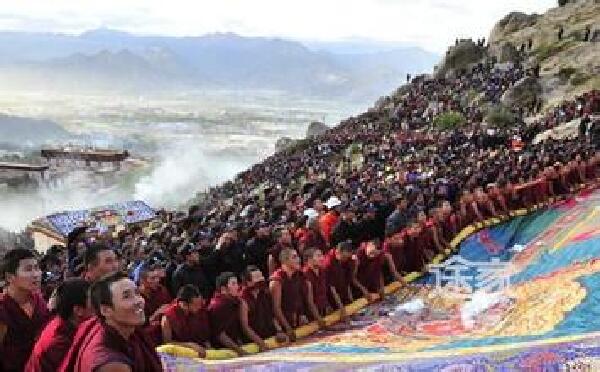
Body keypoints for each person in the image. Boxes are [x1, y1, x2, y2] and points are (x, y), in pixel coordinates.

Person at [59, 272, 162, 372]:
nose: (139, 301)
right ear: (105, 310)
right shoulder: (112, 364)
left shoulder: (121, 331)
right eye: (126, 296)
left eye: (137, 293)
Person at [26, 279, 92, 372]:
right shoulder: (61, 341)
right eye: (93, 302)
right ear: (78, 310)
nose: (99, 306)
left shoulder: (61, 322)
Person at [0, 248, 50, 372]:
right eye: (28, 269)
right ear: (10, 277)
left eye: (37, 268)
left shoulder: (39, 300)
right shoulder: (3, 309)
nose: (36, 274)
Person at [240, 266, 287, 345]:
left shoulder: (264, 293)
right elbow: (245, 326)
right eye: (257, 278)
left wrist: (279, 330)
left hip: (269, 336)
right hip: (252, 341)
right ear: (248, 283)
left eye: (261, 276)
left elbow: (272, 316)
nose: (261, 279)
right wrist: (260, 342)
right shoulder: (243, 299)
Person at [161, 284, 211, 357]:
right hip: (181, 353)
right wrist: (189, 345)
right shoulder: (168, 317)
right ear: (184, 304)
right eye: (196, 305)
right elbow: (167, 343)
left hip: (202, 350)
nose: (199, 307)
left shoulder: (200, 310)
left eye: (200, 304)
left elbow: (205, 336)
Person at [270, 248, 306, 342]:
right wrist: (288, 328)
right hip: (281, 326)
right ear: (285, 261)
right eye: (294, 257)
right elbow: (276, 308)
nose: (298, 259)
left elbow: (298, 297)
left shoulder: (297, 275)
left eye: (297, 256)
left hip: (295, 321)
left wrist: (302, 314)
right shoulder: (277, 281)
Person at [207, 272, 246, 356]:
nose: (237, 287)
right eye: (233, 284)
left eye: (237, 283)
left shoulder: (233, 301)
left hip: (235, 345)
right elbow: (220, 335)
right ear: (223, 289)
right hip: (222, 350)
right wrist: (240, 351)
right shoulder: (218, 306)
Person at [302, 248, 330, 322]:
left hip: (324, 310)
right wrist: (318, 318)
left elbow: (325, 291)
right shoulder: (305, 275)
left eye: (322, 255)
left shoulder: (322, 271)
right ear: (310, 259)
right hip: (311, 316)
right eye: (318, 256)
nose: (322, 258)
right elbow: (309, 301)